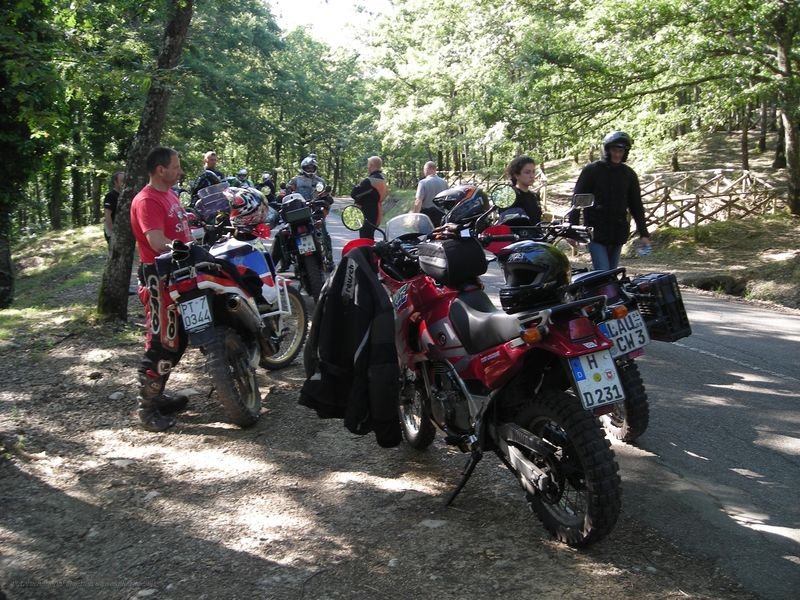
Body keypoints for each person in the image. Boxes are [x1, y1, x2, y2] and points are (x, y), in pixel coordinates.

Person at [130, 146, 193, 432]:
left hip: (177, 275)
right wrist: (184, 248)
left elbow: (178, 228)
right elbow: (156, 241)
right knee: (161, 343)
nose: (179, 171)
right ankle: (147, 409)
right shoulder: (147, 200)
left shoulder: (169, 195)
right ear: (160, 169)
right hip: (159, 280)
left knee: (178, 340)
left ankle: (159, 393)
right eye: (176, 166)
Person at [570, 131, 650, 270]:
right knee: (603, 273)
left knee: (611, 274)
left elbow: (636, 205)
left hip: (617, 232)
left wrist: (643, 233)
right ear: (607, 149)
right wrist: (572, 231)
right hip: (595, 232)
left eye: (621, 151)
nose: (617, 154)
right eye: (614, 150)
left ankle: (604, 292)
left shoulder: (629, 174)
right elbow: (578, 200)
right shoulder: (592, 171)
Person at [285, 155, 334, 270]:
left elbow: (327, 198)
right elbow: (287, 194)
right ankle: (285, 261)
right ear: (303, 167)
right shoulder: (295, 180)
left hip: (315, 211)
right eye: (308, 167)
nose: (310, 170)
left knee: (324, 234)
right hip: (298, 211)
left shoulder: (320, 181)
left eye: (312, 167)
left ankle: (329, 260)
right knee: (286, 234)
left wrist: (326, 201)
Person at [350, 156, 387, 240]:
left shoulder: (370, 181)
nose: (367, 167)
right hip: (378, 212)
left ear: (372, 165)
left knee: (365, 239)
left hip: (368, 214)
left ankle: (367, 253)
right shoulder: (382, 179)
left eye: (368, 165)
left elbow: (354, 194)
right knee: (370, 237)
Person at [504, 155, 542, 224]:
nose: (532, 176)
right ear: (516, 175)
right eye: (527, 172)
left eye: (533, 172)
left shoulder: (534, 196)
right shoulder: (510, 196)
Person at [103, 171, 125, 247]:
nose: (124, 183)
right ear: (116, 182)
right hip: (113, 230)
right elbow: (107, 215)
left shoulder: (125, 195)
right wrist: (113, 232)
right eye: (122, 181)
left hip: (122, 230)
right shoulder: (110, 196)